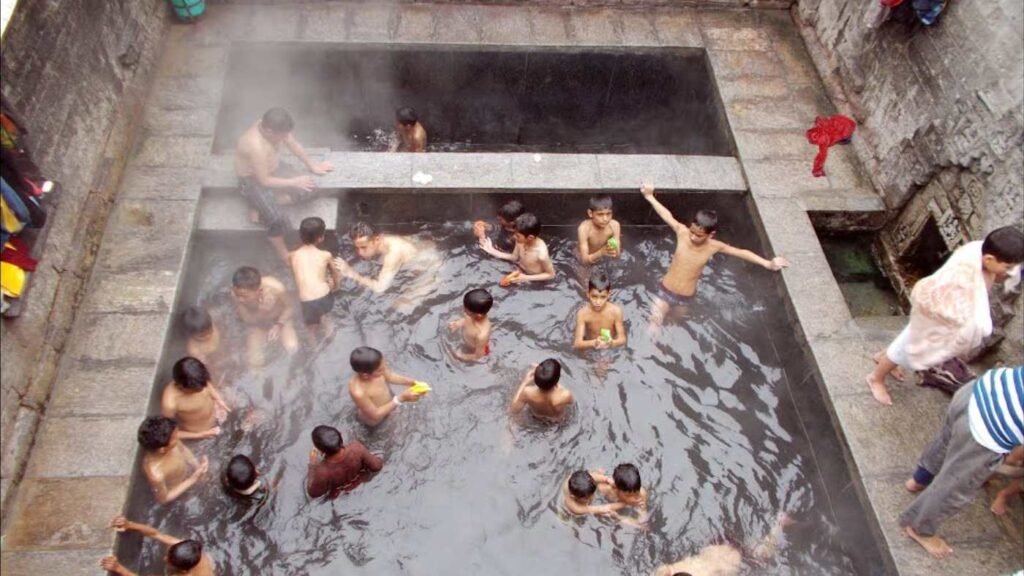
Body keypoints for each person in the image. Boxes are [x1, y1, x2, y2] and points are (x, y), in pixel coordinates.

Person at [866, 226, 1024, 405]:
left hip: (933, 313)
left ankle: (882, 357)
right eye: (1008, 267)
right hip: (936, 316)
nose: (1010, 271)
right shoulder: (964, 276)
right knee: (905, 350)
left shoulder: (978, 249)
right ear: (989, 259)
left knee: (905, 340)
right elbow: (965, 310)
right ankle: (876, 378)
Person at [899, 366, 1023, 559]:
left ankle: (917, 480)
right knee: (955, 486)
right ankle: (919, 528)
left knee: (945, 441)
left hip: (976, 391)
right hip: (985, 432)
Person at [641, 181, 788, 328]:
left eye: (698, 235)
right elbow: (667, 215)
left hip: (685, 297)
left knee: (677, 323)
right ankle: (655, 347)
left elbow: (741, 252)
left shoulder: (713, 247)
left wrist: (767, 263)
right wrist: (649, 196)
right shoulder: (682, 233)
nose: (692, 237)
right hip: (665, 290)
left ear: (711, 235)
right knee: (654, 322)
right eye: (692, 232)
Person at [235, 107, 334, 262]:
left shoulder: (275, 128)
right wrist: (295, 182)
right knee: (279, 220)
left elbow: (293, 144)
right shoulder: (255, 146)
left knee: (311, 188)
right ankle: (283, 254)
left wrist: (312, 165)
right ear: (268, 131)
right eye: (282, 136)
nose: (285, 138)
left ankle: (261, 207)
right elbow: (264, 181)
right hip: (253, 181)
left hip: (274, 169)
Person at [652, 513, 794, 576]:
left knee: (762, 555)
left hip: (733, 559)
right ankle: (779, 523)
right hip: (717, 545)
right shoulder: (667, 571)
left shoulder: (665, 572)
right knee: (754, 548)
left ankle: (780, 524)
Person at [334, 221, 437, 296]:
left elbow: (380, 288)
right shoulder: (384, 239)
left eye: (363, 247)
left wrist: (351, 273)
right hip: (426, 252)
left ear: (376, 239)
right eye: (357, 247)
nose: (359, 252)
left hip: (430, 275)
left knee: (400, 307)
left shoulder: (393, 255)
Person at [99, 516, 215, 576]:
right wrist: (129, 524)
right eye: (168, 555)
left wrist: (118, 568)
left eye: (169, 560)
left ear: (184, 572)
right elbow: (156, 534)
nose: (165, 558)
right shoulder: (194, 552)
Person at [230, 266, 298, 368]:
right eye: (237, 294)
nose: (240, 299)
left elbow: (291, 307)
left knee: (292, 348)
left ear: (259, 290)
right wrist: (261, 311)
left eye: (244, 296)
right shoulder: (235, 294)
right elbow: (247, 320)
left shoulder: (276, 288)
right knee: (254, 361)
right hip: (258, 325)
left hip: (280, 320)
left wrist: (278, 325)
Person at [137, 416, 209, 505]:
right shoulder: (156, 474)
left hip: (189, 476)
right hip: (178, 491)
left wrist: (197, 466)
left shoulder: (170, 442)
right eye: (175, 437)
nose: (178, 436)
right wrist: (193, 479)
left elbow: (183, 450)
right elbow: (164, 499)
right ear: (162, 450)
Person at [347, 346, 425, 427]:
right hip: (375, 420)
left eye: (383, 366)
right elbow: (375, 415)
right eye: (380, 370)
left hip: (390, 404)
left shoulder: (377, 368)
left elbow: (390, 376)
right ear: (366, 375)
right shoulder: (358, 391)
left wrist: (412, 382)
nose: (384, 370)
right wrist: (401, 398)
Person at [290, 217, 341, 337]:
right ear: (321, 237)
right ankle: (330, 338)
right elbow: (335, 274)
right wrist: (336, 286)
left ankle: (313, 348)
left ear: (300, 235)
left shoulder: (293, 256)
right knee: (326, 319)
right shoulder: (325, 255)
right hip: (323, 296)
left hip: (306, 300)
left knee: (310, 328)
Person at [306, 425, 384, 498]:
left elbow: (313, 494)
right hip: (363, 485)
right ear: (340, 436)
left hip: (340, 496)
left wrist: (312, 465)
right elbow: (377, 466)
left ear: (320, 451)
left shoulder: (322, 471)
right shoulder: (357, 448)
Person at [161, 357, 230, 437]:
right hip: (201, 431)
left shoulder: (198, 377)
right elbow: (169, 433)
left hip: (216, 413)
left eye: (203, 385)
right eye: (196, 390)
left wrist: (218, 399)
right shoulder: (170, 403)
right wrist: (199, 435)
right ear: (181, 386)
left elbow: (208, 386)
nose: (202, 389)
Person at [480, 212, 556, 285]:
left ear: (530, 237)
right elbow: (514, 257)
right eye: (514, 234)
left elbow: (551, 275)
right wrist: (492, 251)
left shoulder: (541, 254)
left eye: (517, 235)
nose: (514, 237)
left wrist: (526, 278)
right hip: (520, 271)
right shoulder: (520, 241)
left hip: (537, 281)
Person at [573, 271, 626, 351]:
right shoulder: (582, 314)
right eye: (594, 296)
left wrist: (611, 343)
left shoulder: (616, 312)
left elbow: (622, 339)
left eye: (603, 297)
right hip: (591, 345)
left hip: (610, 345)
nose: (598, 302)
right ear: (588, 294)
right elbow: (577, 343)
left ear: (609, 295)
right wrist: (594, 342)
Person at [510, 359, 574, 420]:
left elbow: (514, 409)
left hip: (536, 419)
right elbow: (571, 403)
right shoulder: (565, 395)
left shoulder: (527, 392)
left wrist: (524, 382)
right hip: (559, 422)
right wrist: (548, 376)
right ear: (557, 379)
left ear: (535, 379)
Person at [447, 288, 493, 361]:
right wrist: (458, 323)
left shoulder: (481, 335)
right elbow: (467, 319)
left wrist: (460, 356)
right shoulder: (472, 315)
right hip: (468, 341)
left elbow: (479, 355)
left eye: (466, 310)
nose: (463, 310)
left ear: (479, 315)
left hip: (476, 349)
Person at [180, 306, 225, 377]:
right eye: (202, 336)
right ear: (191, 335)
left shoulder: (208, 322)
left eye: (210, 331)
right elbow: (206, 365)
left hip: (221, 345)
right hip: (213, 356)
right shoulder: (194, 350)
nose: (208, 336)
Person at [578, 194, 622, 264]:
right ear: (590, 213)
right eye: (600, 214)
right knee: (582, 273)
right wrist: (601, 253)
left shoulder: (614, 225)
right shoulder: (584, 229)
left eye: (608, 214)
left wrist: (614, 251)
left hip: (603, 255)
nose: (605, 219)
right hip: (583, 259)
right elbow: (584, 260)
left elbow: (617, 254)